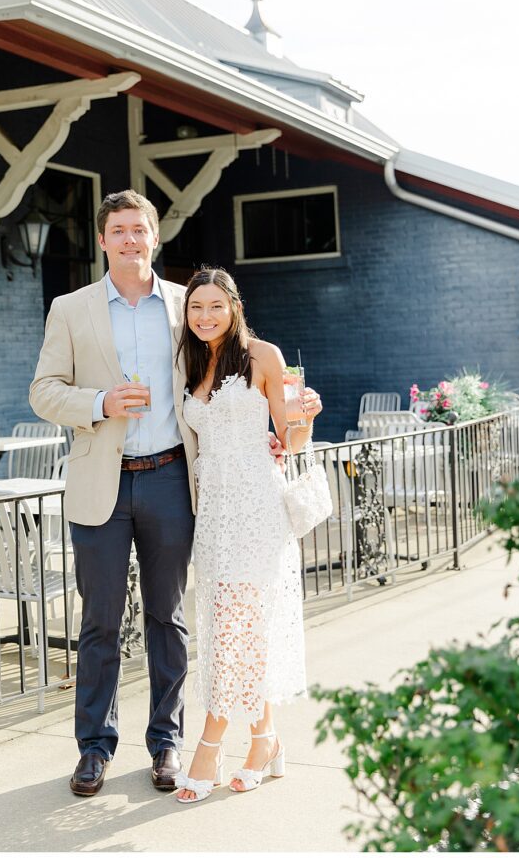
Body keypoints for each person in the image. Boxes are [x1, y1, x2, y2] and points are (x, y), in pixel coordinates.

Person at [29, 190, 317, 798]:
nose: (130, 240)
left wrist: (280, 431)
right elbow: (43, 392)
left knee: (170, 617)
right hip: (101, 482)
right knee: (100, 621)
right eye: (119, 231)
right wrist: (98, 403)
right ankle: (94, 749)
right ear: (103, 239)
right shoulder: (70, 309)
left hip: (172, 481)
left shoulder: (188, 307)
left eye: (140, 230)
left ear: (154, 239)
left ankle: (167, 743)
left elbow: (239, 382)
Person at [173, 267, 320, 803]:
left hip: (257, 507)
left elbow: (291, 437)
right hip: (213, 511)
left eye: (216, 305)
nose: (205, 316)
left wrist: (306, 416)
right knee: (233, 626)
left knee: (236, 627)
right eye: (196, 307)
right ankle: (266, 739)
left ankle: (210, 743)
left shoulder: (265, 355)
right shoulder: (189, 361)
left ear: (234, 306)